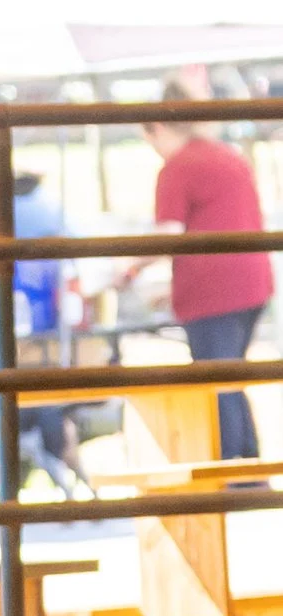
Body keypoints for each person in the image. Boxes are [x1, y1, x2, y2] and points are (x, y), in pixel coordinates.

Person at [131, 89, 272, 460]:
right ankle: (248, 467)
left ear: (157, 127)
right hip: (253, 282)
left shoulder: (177, 168)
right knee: (232, 377)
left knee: (215, 382)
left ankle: (226, 470)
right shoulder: (226, 155)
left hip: (213, 292)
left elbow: (167, 238)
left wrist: (126, 267)